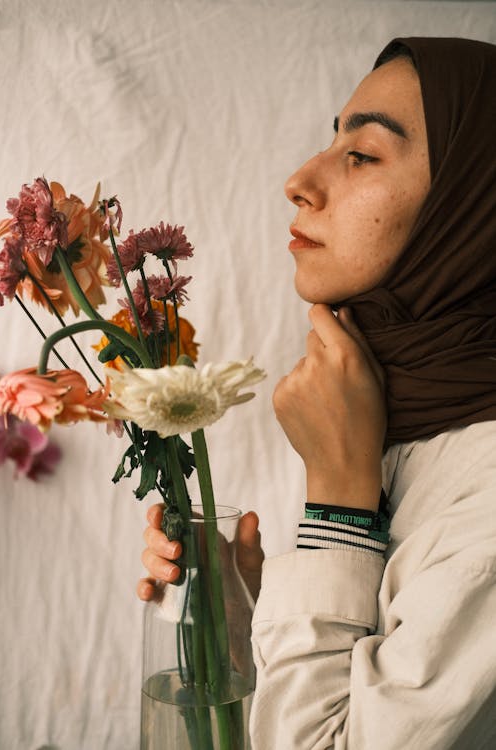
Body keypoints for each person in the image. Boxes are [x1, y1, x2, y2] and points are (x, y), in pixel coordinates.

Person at [137, 37, 496, 748]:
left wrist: (336, 501)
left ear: (471, 206)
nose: (299, 179)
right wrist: (239, 621)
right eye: (332, 141)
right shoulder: (401, 421)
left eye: (361, 154)